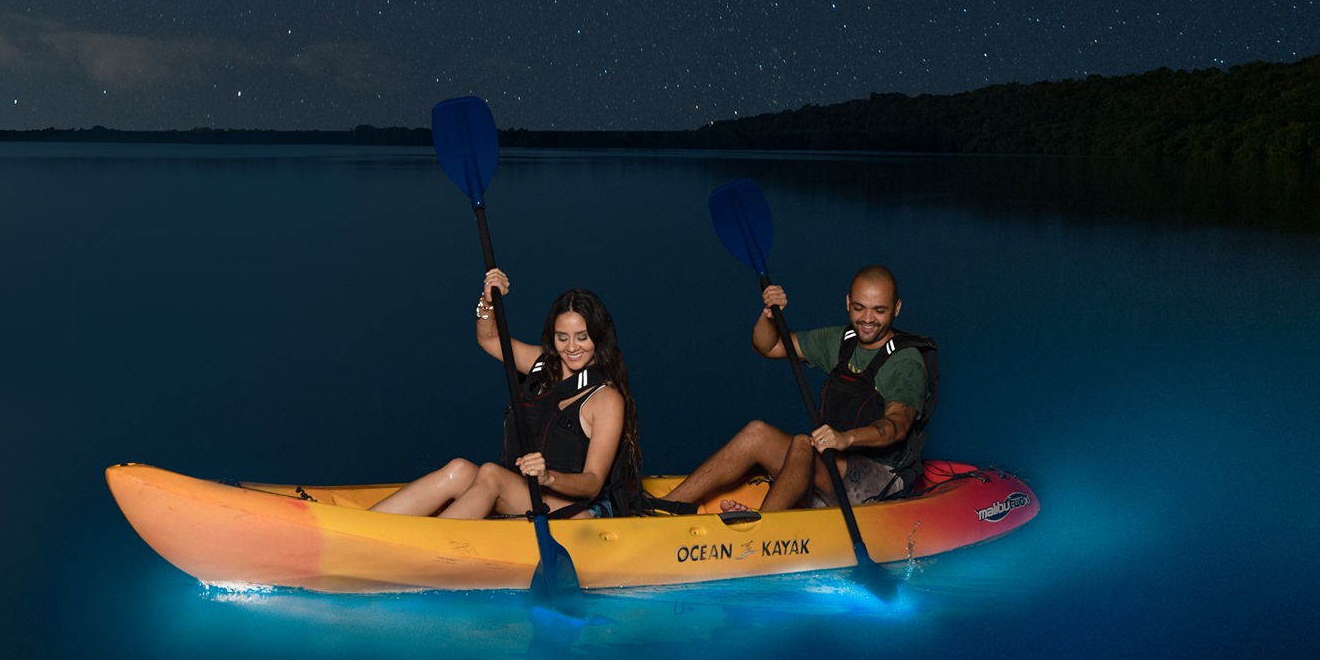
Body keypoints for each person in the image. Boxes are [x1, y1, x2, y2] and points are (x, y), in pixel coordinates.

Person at [660, 265, 935, 513]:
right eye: (860, 308)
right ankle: (667, 507)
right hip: (831, 464)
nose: (867, 319)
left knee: (803, 443)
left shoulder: (905, 361)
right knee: (757, 432)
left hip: (881, 478)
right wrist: (769, 316)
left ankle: (762, 529)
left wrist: (846, 438)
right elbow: (768, 346)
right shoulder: (841, 341)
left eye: (879, 310)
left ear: (896, 308)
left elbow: (898, 424)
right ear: (848, 303)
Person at [370, 270, 641, 519]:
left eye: (582, 337)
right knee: (459, 470)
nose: (571, 347)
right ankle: (364, 529)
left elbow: (593, 482)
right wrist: (488, 302)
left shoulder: (606, 399)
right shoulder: (543, 364)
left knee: (491, 475)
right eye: (562, 337)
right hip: (523, 494)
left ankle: (422, 551)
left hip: (577, 512)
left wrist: (548, 477)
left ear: (598, 337)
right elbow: (489, 338)